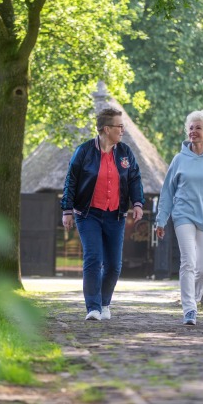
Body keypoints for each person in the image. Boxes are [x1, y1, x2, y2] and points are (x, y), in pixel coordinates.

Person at [61, 107, 145, 321]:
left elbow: (134, 178)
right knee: (93, 258)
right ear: (106, 129)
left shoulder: (125, 152)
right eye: (119, 126)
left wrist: (137, 203)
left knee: (114, 265)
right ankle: (93, 307)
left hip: (115, 215)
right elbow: (71, 180)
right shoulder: (84, 151)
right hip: (88, 214)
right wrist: (67, 210)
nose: (123, 130)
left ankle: (105, 302)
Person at [155, 110, 203, 325]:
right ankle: (189, 308)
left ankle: (194, 300)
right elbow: (168, 192)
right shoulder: (179, 159)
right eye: (191, 128)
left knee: (202, 269)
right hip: (183, 216)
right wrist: (161, 220)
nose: (193, 132)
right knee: (188, 262)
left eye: (198, 128)